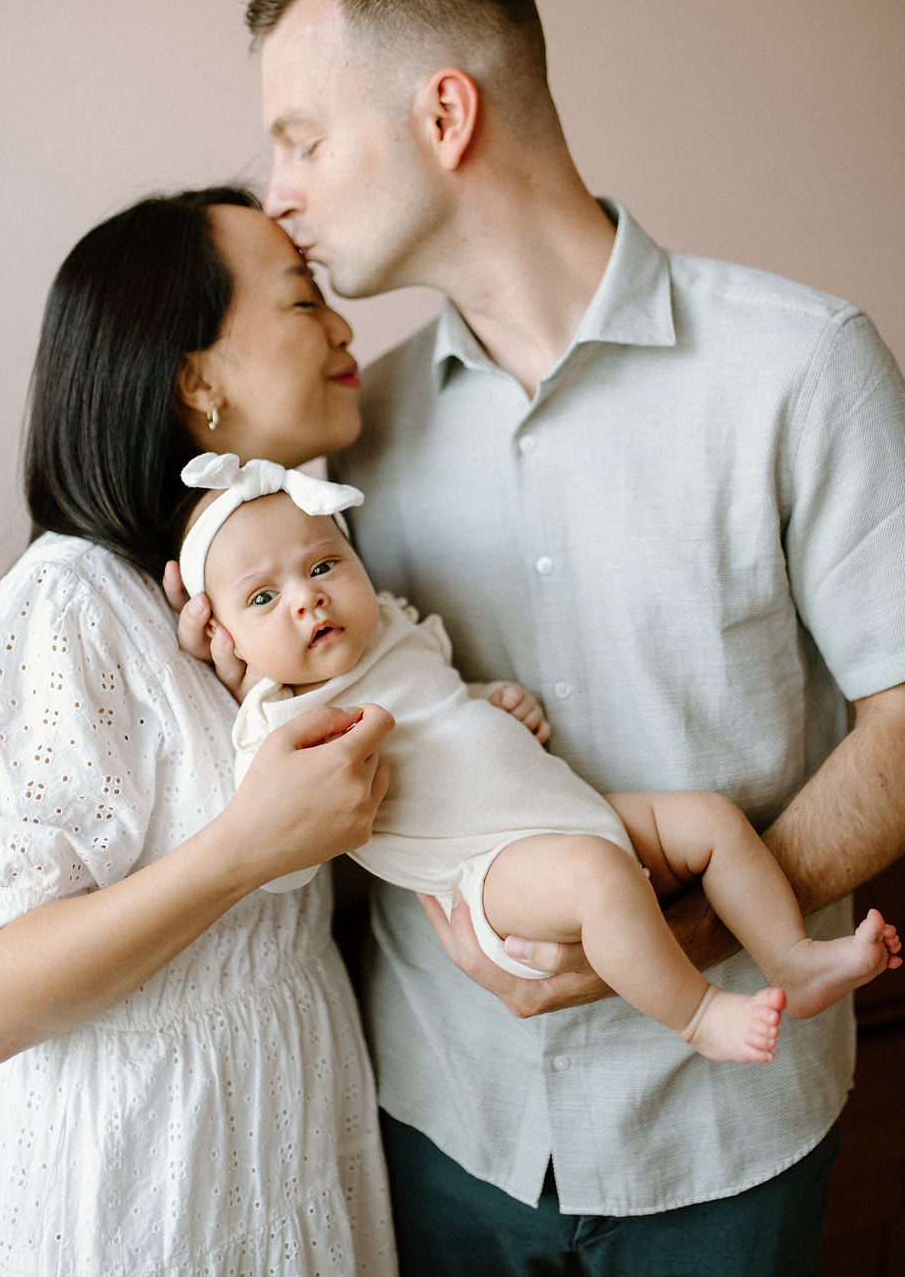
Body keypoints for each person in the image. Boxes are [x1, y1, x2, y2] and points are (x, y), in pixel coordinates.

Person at [171, 0, 905, 1277]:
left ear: (444, 113)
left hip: (727, 1132)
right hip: (435, 1124)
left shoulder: (804, 367)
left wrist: (670, 946)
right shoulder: (334, 457)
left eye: (304, 138)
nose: (282, 196)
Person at [0, 188, 402, 1277]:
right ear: (197, 383)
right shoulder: (61, 610)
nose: (345, 331)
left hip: (276, 1160)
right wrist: (241, 848)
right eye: (303, 300)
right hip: (126, 1207)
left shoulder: (277, 586)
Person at [175, 452, 899, 1067]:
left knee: (709, 820)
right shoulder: (281, 724)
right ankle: (698, 1015)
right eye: (264, 597)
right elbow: (283, 852)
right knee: (596, 876)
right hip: (495, 874)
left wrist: (496, 701)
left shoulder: (392, 631)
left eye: (325, 564)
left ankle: (793, 960)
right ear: (228, 637)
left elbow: (445, 704)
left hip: (571, 812)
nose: (308, 598)